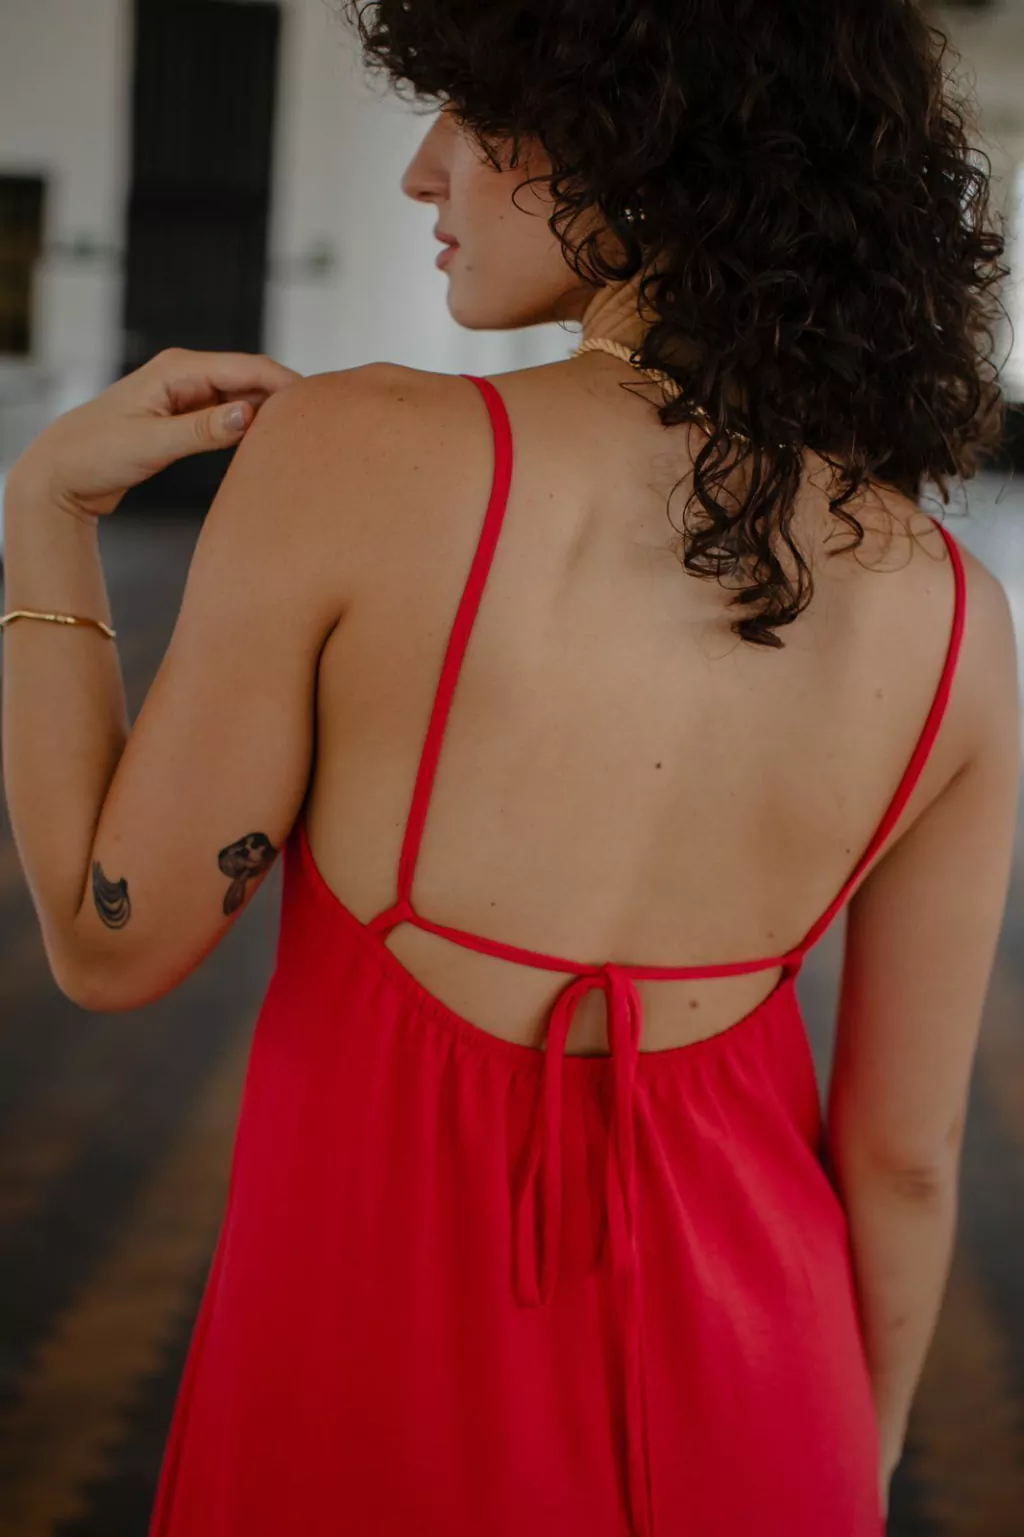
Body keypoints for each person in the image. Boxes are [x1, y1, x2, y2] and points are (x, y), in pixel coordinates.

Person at [1, 3, 1019, 1534]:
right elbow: (906, 1159)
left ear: (639, 147)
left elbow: (109, 944)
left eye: (477, 119)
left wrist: (43, 511)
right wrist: (850, 1467)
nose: (425, 172)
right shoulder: (958, 615)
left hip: (359, 1411)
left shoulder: (355, 451)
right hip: (771, 1419)